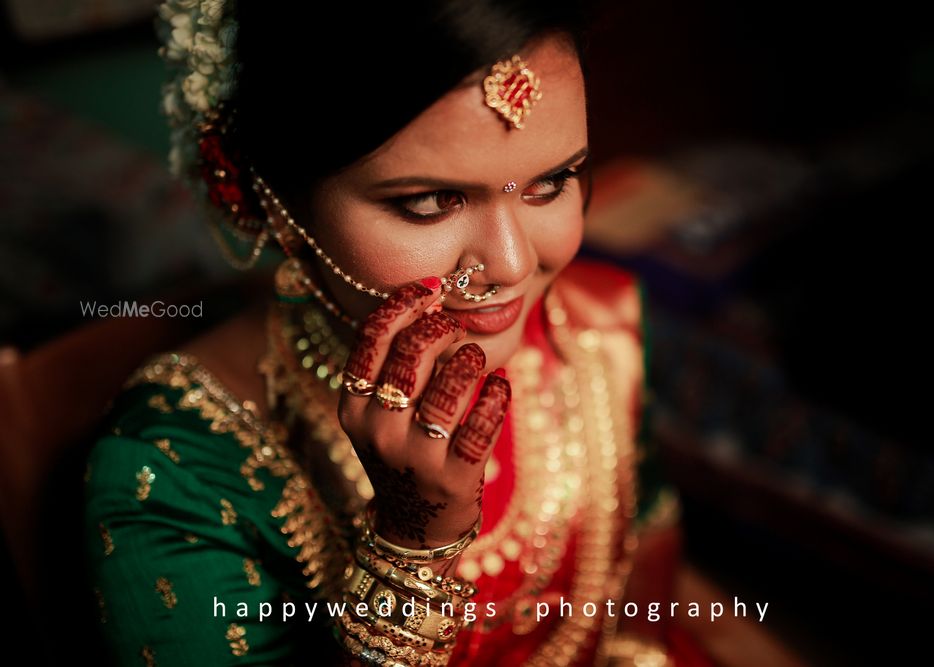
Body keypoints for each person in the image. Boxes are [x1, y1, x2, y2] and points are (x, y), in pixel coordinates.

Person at [82, 1, 694, 665]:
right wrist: (410, 548)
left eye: (551, 183)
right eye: (430, 203)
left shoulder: (599, 328)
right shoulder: (173, 467)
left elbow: (643, 592)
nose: (514, 264)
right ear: (273, 202)